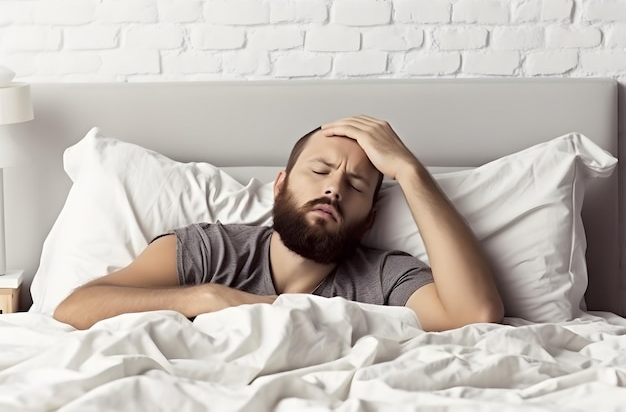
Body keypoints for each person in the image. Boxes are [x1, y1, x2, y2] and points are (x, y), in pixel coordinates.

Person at [53, 116, 504, 331]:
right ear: (281, 184)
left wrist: (409, 170)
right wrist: (209, 298)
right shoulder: (210, 250)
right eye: (320, 171)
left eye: (356, 185)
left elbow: (474, 315)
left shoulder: (385, 277)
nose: (333, 190)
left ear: (369, 219)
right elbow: (75, 307)